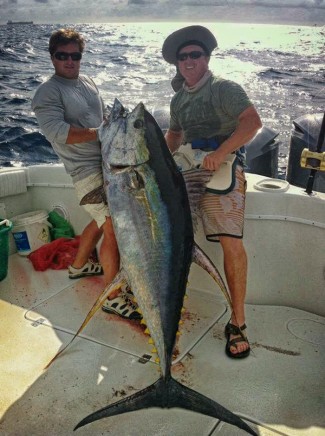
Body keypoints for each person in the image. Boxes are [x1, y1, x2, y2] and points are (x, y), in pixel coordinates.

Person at [162, 25, 262, 358]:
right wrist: (158, 166)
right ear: (176, 63)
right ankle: (158, 304)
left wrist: (221, 153)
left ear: (206, 58)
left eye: (195, 54)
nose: (189, 61)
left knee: (231, 241)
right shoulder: (178, 99)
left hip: (223, 164)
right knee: (164, 233)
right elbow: (174, 137)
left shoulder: (224, 88)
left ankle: (238, 322)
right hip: (188, 165)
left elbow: (252, 122)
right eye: (183, 57)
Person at [31, 28, 140, 320]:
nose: (69, 61)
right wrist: (102, 132)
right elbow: (58, 133)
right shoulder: (47, 92)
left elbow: (101, 119)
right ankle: (113, 297)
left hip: (107, 165)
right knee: (113, 229)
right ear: (52, 57)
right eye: (62, 55)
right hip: (85, 172)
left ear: (81, 56)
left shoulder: (89, 82)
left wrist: (114, 126)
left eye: (75, 55)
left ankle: (80, 265)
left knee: (102, 219)